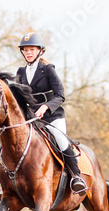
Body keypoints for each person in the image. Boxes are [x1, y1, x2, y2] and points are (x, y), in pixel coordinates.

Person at [16, 32, 87, 193]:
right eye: (25, 50)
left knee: (61, 140)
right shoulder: (20, 72)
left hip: (52, 116)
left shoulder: (47, 69)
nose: (28, 53)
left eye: (32, 49)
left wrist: (46, 107)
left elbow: (60, 94)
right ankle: (8, 184)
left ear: (40, 51)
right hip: (31, 119)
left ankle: (76, 176)